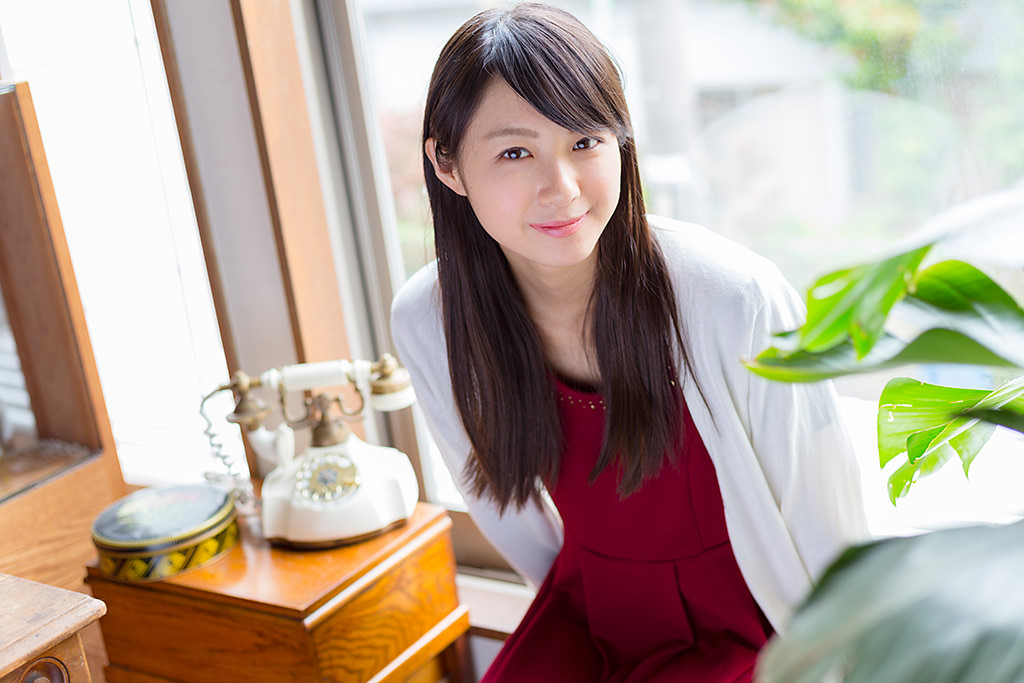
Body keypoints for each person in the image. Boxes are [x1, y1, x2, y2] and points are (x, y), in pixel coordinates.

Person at [390, 3, 869, 681]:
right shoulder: (429, 318)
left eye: (585, 141)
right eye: (515, 151)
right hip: (588, 605)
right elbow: (506, 508)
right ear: (447, 164)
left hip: (748, 617)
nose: (561, 188)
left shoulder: (733, 299)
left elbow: (825, 515)